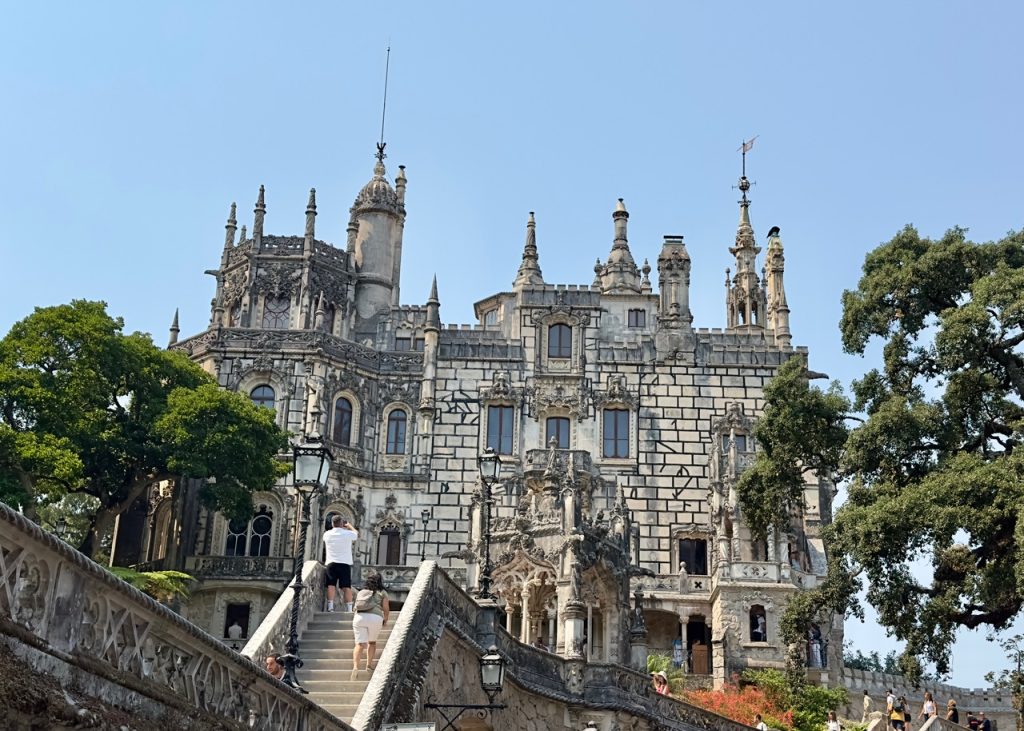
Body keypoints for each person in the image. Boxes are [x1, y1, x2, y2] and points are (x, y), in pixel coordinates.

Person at [351, 572, 389, 679]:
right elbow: (386, 608)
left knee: (359, 644)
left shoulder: (362, 592)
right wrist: (385, 619)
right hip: (375, 617)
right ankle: (368, 665)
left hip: (359, 617)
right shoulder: (382, 592)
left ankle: (355, 667)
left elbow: (356, 606)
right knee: (372, 642)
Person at [323, 515, 358, 612]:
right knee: (346, 587)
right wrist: (349, 526)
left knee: (331, 585)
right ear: (342, 523)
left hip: (331, 562)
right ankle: (350, 609)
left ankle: (330, 607)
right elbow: (357, 534)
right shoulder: (347, 533)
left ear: (332, 523)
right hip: (344, 563)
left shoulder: (327, 534)